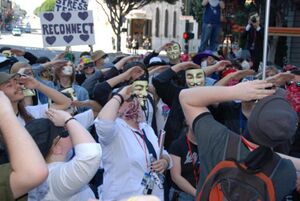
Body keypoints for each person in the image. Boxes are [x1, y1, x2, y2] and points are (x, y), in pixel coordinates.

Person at [179, 80, 299, 200]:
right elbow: (259, 156)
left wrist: (235, 92)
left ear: (253, 119)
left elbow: (186, 97)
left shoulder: (218, 139)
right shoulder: (286, 172)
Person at [94, 85, 172, 201]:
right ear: (117, 107)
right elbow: (103, 122)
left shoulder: (146, 128)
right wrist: (120, 95)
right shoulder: (114, 131)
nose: (133, 102)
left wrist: (165, 161)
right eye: (126, 100)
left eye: (134, 97)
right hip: (123, 197)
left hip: (153, 196)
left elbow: (162, 151)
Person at [28, 109, 102, 201]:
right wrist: (68, 119)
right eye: (65, 131)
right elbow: (91, 154)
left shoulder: (43, 174)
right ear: (56, 148)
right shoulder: (54, 178)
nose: (70, 131)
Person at [0, 91, 48, 200]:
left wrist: (38, 86)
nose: (18, 86)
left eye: (17, 82)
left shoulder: (29, 112)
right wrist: (5, 113)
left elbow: (66, 103)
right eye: (9, 85)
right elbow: (33, 173)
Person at [169, 126, 199, 201]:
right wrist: (197, 193)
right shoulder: (178, 145)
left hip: (200, 193)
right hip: (181, 195)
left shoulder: (205, 145)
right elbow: (175, 177)